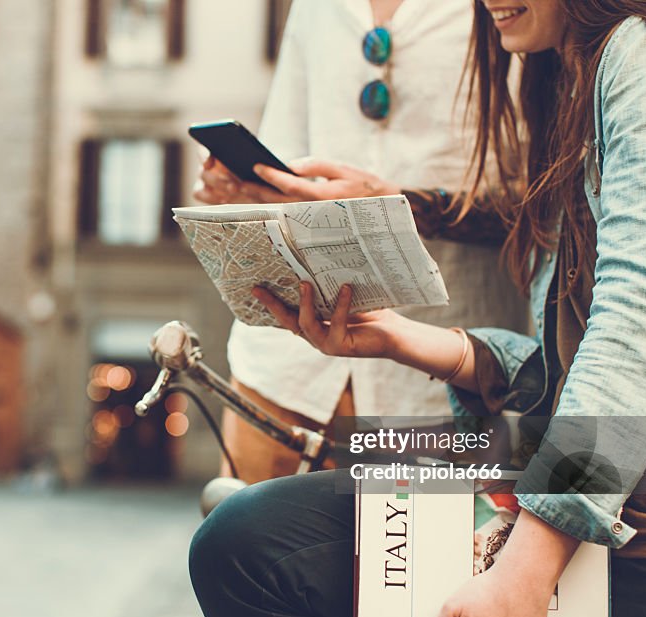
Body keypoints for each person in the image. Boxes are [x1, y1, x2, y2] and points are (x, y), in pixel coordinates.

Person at [190, 1, 646, 617]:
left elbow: (643, 327)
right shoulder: (574, 74)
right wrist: (419, 343)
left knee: (255, 553)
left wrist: (527, 572)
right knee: (250, 539)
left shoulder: (645, 51)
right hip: (628, 493)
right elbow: (576, 363)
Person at [195, 0, 528, 485]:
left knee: (423, 560)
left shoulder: (521, 10)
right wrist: (242, 188)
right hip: (284, 369)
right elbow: (285, 152)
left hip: (438, 376)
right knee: (248, 551)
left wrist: (398, 203)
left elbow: (554, 204)